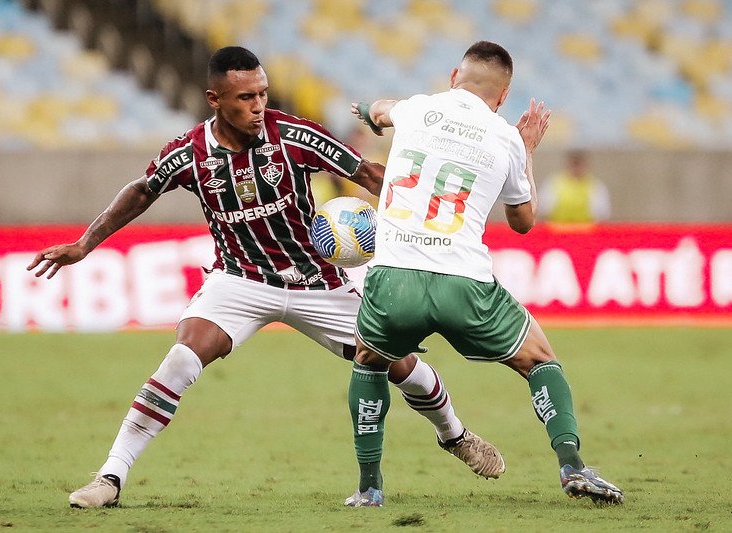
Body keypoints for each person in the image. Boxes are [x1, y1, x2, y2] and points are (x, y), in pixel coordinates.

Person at [27, 46, 504, 509]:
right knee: (180, 357)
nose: (259, 107)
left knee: (398, 365)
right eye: (245, 98)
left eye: (263, 94)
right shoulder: (190, 153)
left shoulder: (295, 135)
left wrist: (432, 222)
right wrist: (84, 244)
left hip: (316, 281)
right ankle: (110, 476)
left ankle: (454, 435)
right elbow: (141, 190)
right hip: (241, 280)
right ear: (215, 100)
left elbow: (371, 174)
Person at [349, 41, 624, 504]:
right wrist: (529, 149)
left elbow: (378, 110)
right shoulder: (507, 137)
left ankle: (369, 488)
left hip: (394, 275)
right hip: (464, 282)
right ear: (504, 95)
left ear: (455, 74)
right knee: (539, 360)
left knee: (369, 362)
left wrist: (362, 108)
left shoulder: (417, 108)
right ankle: (572, 465)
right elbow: (523, 221)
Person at [539, 149, 610, 224]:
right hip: (559, 231)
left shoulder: (595, 186)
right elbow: (543, 209)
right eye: (574, 164)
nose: (577, 168)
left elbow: (602, 213)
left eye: (579, 164)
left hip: (586, 232)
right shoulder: (553, 183)